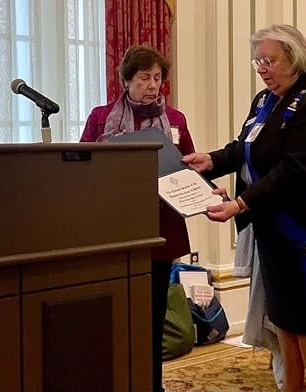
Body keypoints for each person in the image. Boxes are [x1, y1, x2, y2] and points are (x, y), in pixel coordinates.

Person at [183, 24, 306, 392]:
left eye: (269, 60)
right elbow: (245, 147)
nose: (262, 68)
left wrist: (240, 203)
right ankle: (293, 386)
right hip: (276, 231)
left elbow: (295, 169)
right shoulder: (266, 100)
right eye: (257, 62)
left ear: (294, 57)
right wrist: (211, 161)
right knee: (284, 315)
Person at [80, 44, 195, 392]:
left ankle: (152, 384)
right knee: (115, 313)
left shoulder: (175, 120)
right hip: (115, 227)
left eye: (157, 78)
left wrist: (204, 189)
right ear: (127, 80)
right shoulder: (102, 117)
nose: (151, 85)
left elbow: (190, 164)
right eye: (144, 77)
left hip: (161, 228)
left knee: (153, 312)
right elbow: (81, 163)